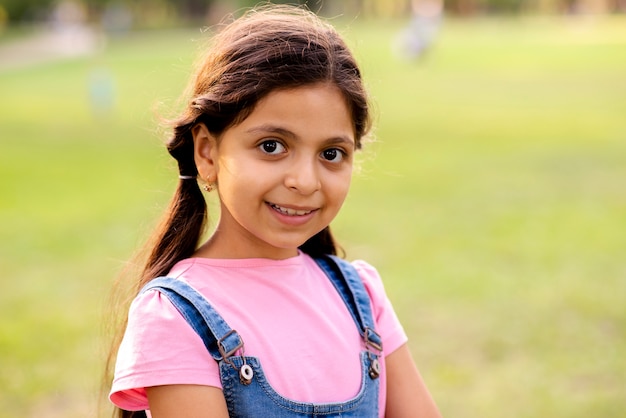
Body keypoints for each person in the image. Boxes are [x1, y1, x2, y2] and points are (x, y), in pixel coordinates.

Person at [107, 4, 442, 418]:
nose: (305, 180)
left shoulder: (362, 297)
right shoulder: (173, 318)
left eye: (331, 153)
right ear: (207, 152)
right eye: (272, 146)